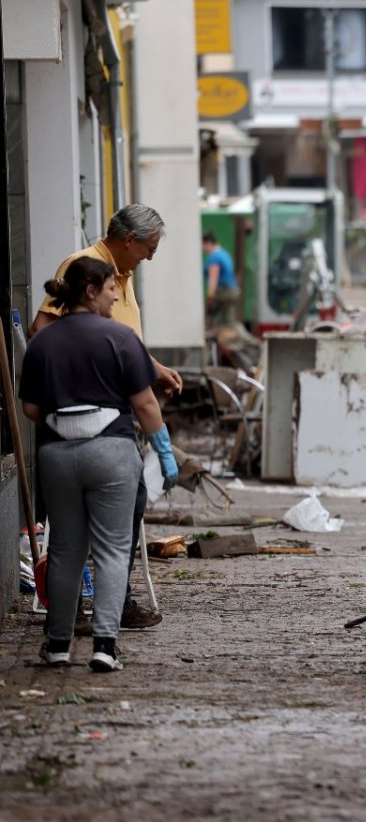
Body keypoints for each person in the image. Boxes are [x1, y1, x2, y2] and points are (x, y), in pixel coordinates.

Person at [20, 257, 179, 672]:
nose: (114, 296)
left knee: (65, 550)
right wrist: (164, 451)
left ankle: (57, 644)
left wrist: (65, 421)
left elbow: (31, 408)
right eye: (110, 289)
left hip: (56, 456)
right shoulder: (121, 338)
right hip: (111, 452)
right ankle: (106, 646)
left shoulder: (41, 342)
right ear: (90, 290)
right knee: (111, 549)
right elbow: (145, 404)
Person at [202, 231, 241, 328]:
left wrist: (210, 297)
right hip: (232, 291)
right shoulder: (224, 253)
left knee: (223, 322)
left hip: (224, 292)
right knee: (226, 322)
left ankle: (251, 342)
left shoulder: (214, 257)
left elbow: (213, 279)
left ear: (208, 243)